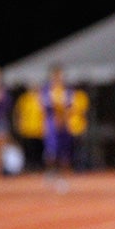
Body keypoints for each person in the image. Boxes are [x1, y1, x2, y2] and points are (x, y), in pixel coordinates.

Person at [40, 63, 76, 191]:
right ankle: (50, 172)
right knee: (51, 150)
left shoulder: (67, 89)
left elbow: (70, 105)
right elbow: (45, 106)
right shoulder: (46, 89)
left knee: (64, 150)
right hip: (51, 123)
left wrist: (64, 117)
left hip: (64, 123)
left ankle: (62, 175)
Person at [13, 82, 45, 171]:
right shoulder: (24, 99)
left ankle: (38, 166)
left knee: (39, 150)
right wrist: (18, 125)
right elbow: (19, 113)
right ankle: (29, 166)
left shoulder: (41, 98)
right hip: (27, 128)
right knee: (28, 150)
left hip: (39, 129)